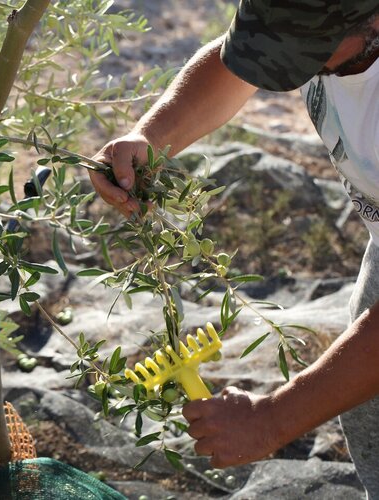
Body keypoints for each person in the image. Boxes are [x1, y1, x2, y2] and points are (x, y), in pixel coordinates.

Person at [89, 0, 379, 497]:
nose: (286, 62)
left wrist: (273, 417)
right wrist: (150, 135)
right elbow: (238, 64)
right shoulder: (314, 30)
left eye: (300, 49)